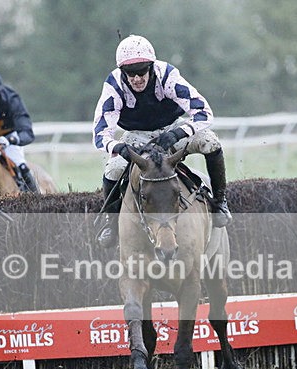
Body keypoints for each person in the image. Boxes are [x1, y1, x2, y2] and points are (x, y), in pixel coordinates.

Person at [92, 35, 232, 247]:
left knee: (210, 142)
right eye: (130, 73)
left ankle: (220, 202)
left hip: (172, 129)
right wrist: (119, 147)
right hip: (136, 136)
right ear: (122, 72)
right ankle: (111, 224)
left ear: (151, 66)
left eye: (142, 71)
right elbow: (100, 133)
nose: (137, 78)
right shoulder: (114, 84)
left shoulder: (167, 75)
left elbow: (204, 112)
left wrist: (179, 133)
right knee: (113, 168)